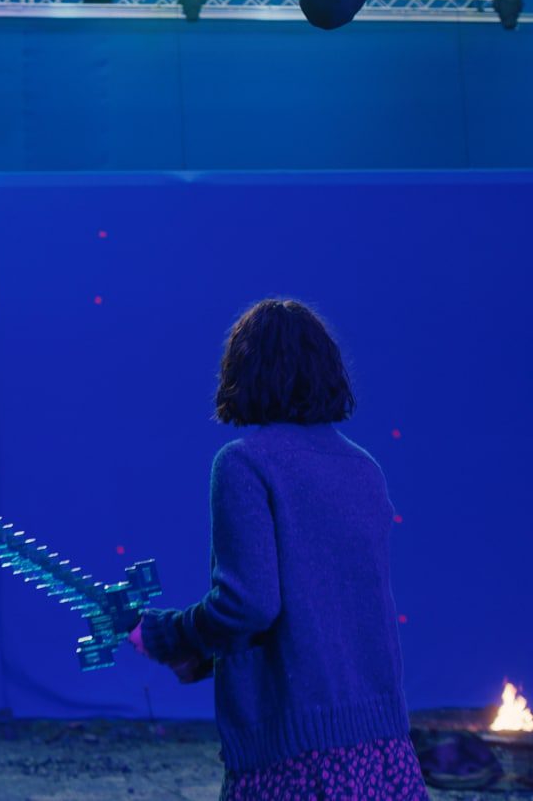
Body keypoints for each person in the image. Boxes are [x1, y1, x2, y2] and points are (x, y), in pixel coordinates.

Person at [127, 298, 426, 801]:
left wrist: (168, 636)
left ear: (244, 371)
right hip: (382, 747)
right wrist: (203, 655)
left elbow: (249, 604)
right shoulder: (364, 468)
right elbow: (323, 608)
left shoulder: (245, 464)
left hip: (295, 756)